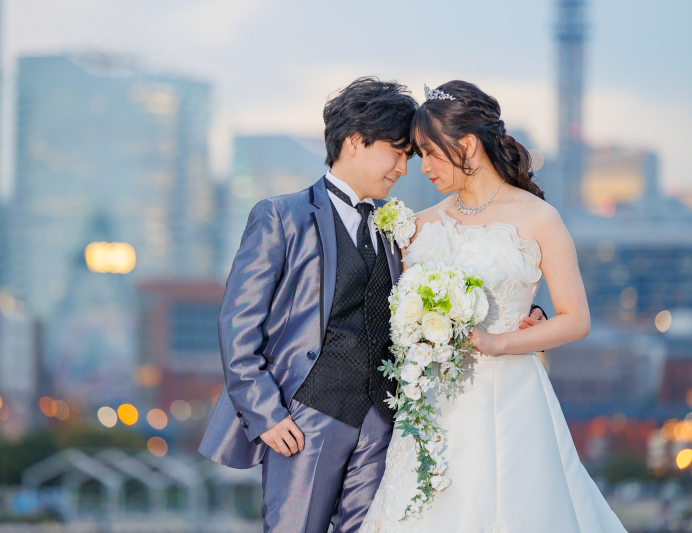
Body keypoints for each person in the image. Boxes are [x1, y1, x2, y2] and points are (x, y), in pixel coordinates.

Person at [198, 77, 547, 533]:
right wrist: (265, 414)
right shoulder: (282, 216)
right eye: (397, 151)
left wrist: (524, 320)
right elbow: (238, 322)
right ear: (355, 141)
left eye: (410, 156)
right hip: (304, 420)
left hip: (384, 424)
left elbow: (458, 285)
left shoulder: (397, 228)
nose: (404, 167)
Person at [361, 81, 627, 533]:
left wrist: (501, 341)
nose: (422, 167)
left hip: (509, 396)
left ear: (466, 144)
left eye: (430, 152)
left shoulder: (539, 218)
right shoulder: (417, 226)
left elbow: (576, 319)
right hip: (429, 404)